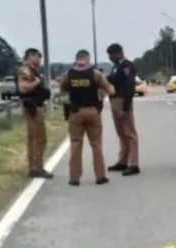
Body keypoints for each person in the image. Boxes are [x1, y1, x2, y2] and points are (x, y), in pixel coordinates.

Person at [58, 50, 115, 186]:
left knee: (76, 144)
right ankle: (100, 176)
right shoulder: (95, 74)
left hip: (75, 112)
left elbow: (62, 89)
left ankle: (74, 178)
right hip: (92, 112)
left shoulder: (68, 74)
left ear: (76, 59)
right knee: (96, 144)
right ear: (88, 60)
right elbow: (110, 90)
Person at [16, 48, 53, 179]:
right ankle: (36, 167)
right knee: (37, 138)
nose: (39, 59)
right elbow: (23, 87)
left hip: (36, 106)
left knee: (38, 138)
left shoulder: (31, 70)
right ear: (30, 57)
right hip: (32, 107)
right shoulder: (25, 70)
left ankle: (36, 166)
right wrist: (37, 82)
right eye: (38, 57)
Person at [104, 43, 140, 176]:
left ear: (118, 53)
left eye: (111, 55)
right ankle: (123, 161)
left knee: (130, 133)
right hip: (114, 100)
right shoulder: (116, 67)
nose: (110, 57)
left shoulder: (127, 66)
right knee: (121, 134)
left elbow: (130, 87)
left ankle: (134, 163)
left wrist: (125, 108)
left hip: (122, 101)